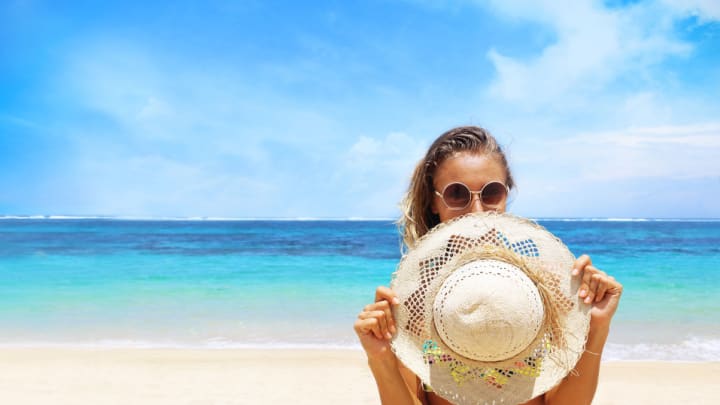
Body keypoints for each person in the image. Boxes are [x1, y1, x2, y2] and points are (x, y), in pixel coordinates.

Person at [354, 126, 623, 405]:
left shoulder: (545, 290)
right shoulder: (412, 301)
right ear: (434, 201)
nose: (477, 210)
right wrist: (380, 358)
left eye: (491, 193)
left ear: (507, 194)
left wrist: (598, 327)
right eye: (457, 194)